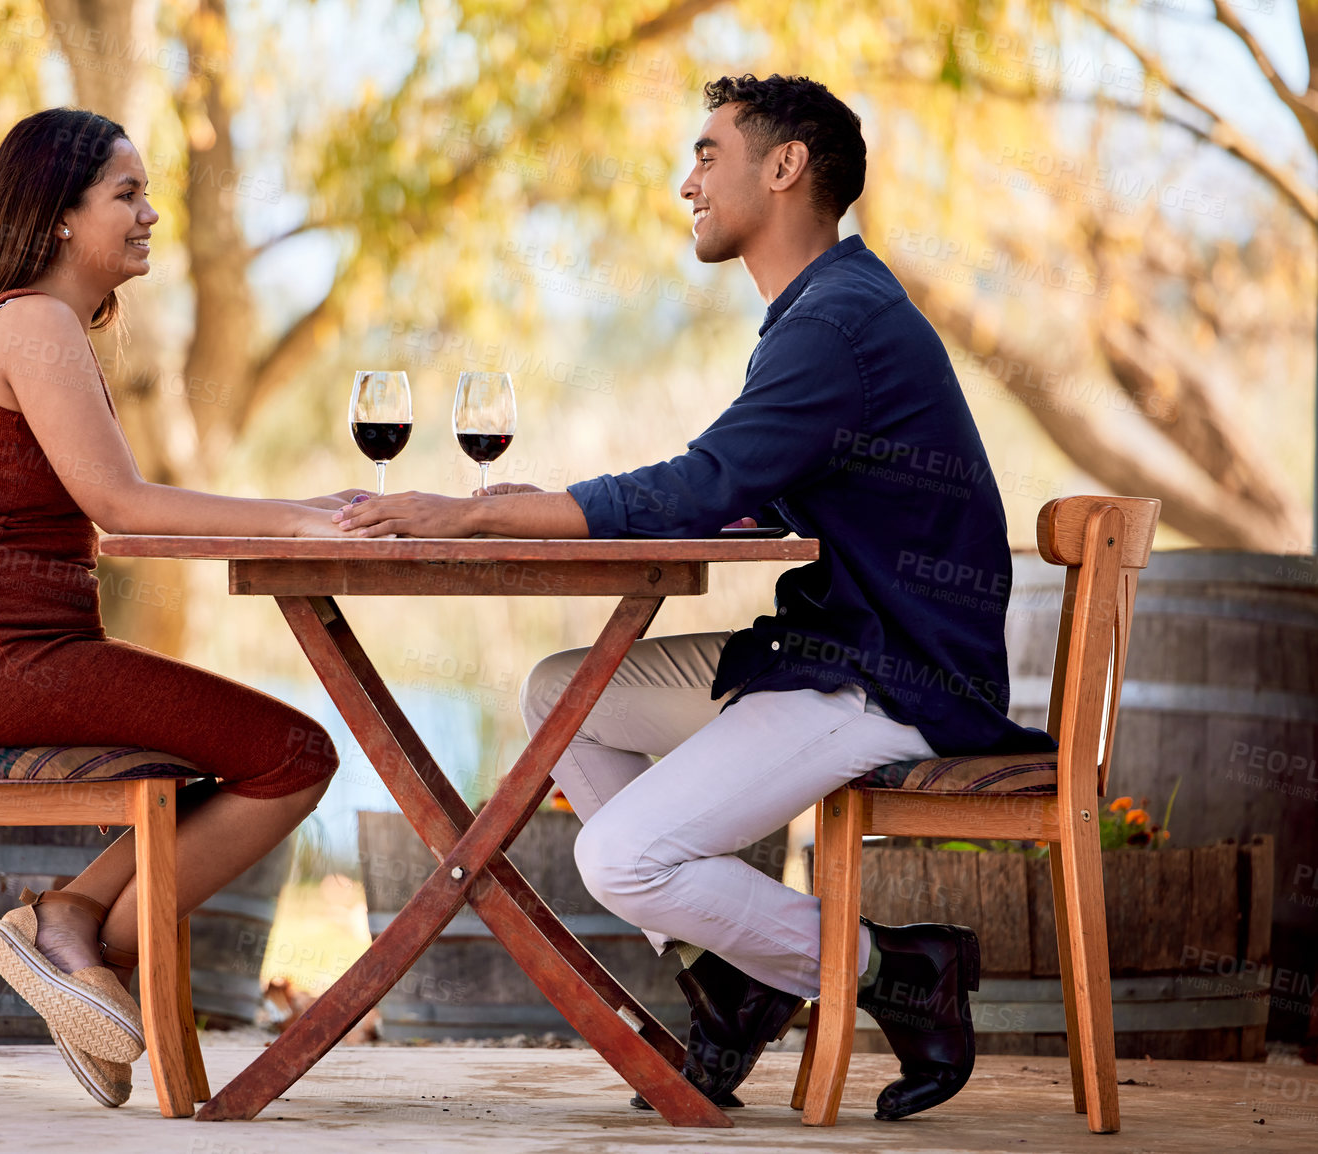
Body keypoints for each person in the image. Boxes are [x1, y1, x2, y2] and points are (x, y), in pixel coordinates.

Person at [334, 73, 1056, 1121]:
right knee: (563, 692)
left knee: (620, 855)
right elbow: (744, 489)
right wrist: (565, 504)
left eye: (707, 155)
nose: (687, 182)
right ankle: (737, 967)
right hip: (832, 644)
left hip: (890, 674)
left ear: (786, 164)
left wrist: (479, 513)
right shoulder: (825, 308)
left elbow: (704, 481)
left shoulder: (836, 323)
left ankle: (897, 968)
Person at [0, 108, 347, 1107]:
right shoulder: (34, 324)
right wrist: (309, 520)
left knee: (237, 754)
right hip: (7, 669)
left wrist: (303, 518)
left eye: (147, 192)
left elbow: (114, 507)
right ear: (58, 216)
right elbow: (122, 505)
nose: (151, 214)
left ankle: (72, 927)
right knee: (296, 754)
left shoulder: (28, 323)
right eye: (126, 193)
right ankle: (68, 931)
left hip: (5, 664)